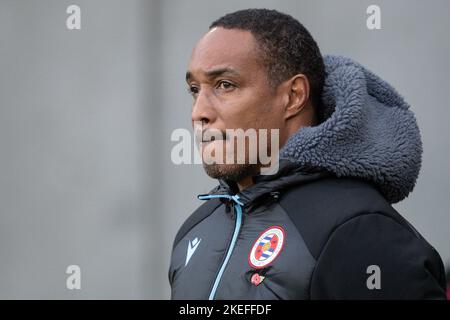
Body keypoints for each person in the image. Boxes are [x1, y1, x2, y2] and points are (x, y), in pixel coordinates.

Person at [168, 8, 447, 299]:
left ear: (294, 96)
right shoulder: (196, 230)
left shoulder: (358, 232)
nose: (199, 112)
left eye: (225, 85)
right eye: (194, 89)